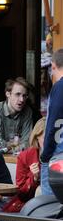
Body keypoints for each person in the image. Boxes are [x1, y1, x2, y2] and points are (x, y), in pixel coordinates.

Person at [2, 117, 46, 212]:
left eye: (52, 139)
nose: (49, 142)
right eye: (45, 138)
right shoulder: (25, 156)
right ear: (37, 137)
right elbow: (21, 194)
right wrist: (34, 178)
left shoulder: (59, 154)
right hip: (28, 204)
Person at [0, 77, 33, 149]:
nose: (22, 100)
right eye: (17, 94)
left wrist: (8, 145)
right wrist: (16, 145)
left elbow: (28, 142)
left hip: (16, 157)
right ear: (8, 94)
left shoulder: (27, 111)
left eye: (24, 95)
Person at [40, 48, 63, 195]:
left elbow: (55, 122)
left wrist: (45, 155)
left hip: (57, 156)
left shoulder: (59, 88)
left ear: (53, 66)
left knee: (50, 207)